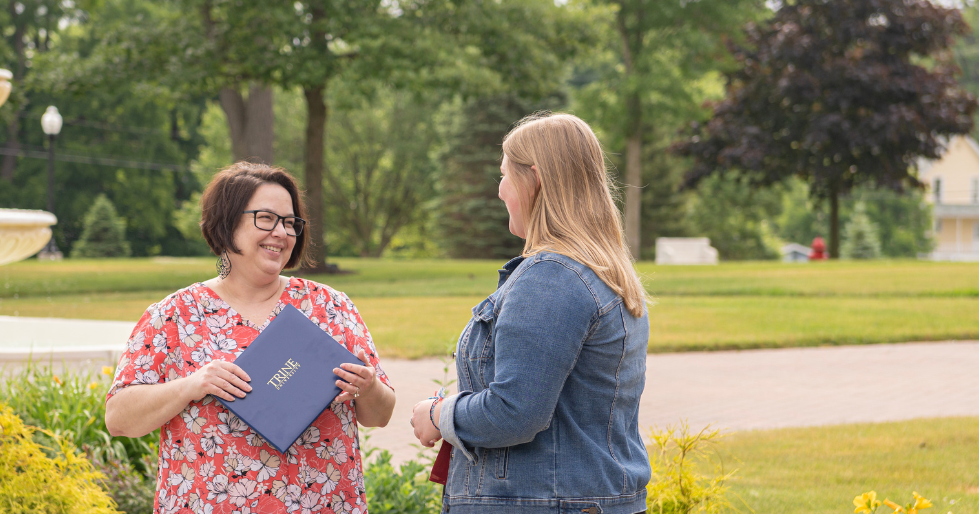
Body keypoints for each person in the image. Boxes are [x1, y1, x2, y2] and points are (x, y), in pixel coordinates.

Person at [106, 162, 397, 514]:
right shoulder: (175, 315)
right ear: (227, 223)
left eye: (290, 222)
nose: (282, 232)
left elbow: (380, 414)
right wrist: (191, 385)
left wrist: (368, 387)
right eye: (266, 218)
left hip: (322, 504)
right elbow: (119, 418)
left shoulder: (329, 306)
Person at [409, 113, 652, 513]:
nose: (501, 191)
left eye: (505, 175)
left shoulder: (552, 278)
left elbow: (516, 412)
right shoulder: (599, 273)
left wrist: (439, 414)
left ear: (534, 178)